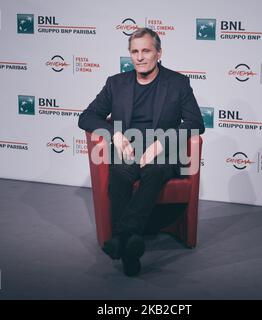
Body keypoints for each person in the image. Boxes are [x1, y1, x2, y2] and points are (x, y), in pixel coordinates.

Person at [78, 27, 205, 276]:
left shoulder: (178, 84)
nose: (140, 57)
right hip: (127, 150)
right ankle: (130, 247)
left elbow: (195, 123)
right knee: (120, 176)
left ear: (158, 53)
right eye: (134, 51)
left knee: (156, 172)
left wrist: (163, 142)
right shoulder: (116, 83)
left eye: (146, 50)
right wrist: (113, 133)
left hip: (163, 152)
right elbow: (87, 117)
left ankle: (122, 238)